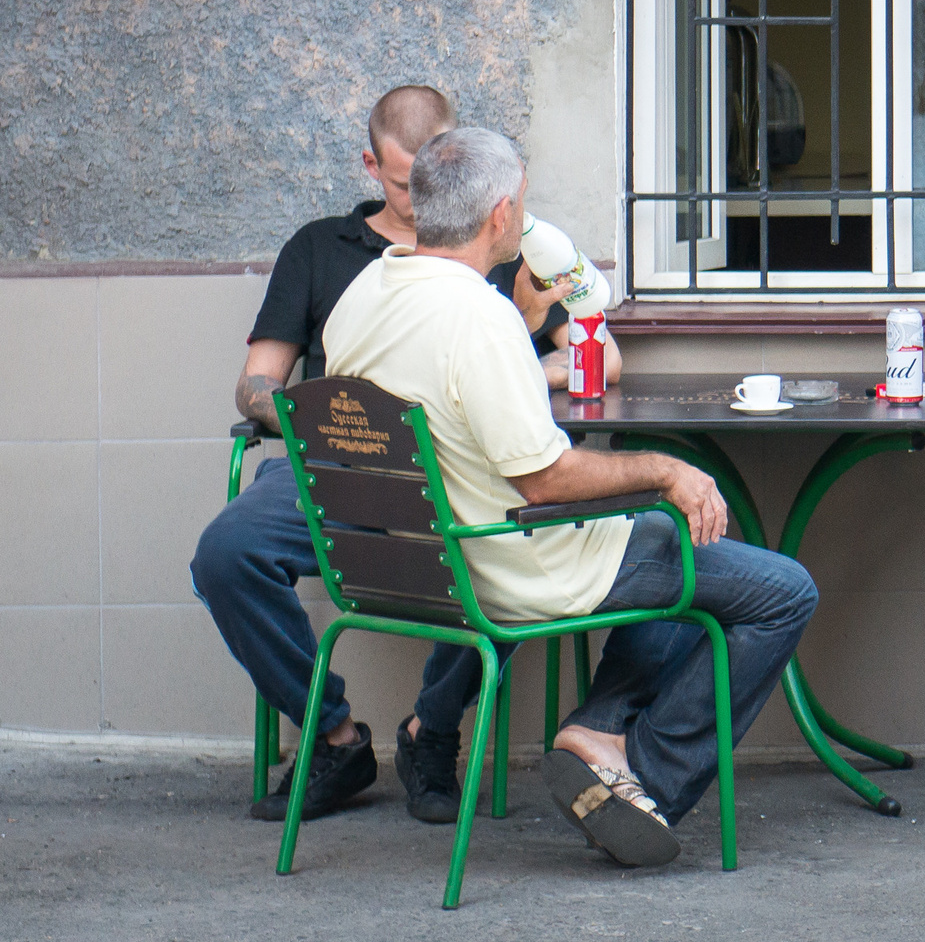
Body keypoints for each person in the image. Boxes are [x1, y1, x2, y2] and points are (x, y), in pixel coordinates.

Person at [323, 125, 817, 869]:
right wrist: (665, 471)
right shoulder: (475, 315)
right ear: (499, 214)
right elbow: (544, 478)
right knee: (779, 590)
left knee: (685, 545)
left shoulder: (361, 297)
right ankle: (643, 776)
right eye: (520, 200)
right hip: (513, 564)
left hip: (411, 566)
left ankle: (600, 729)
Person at [190, 85, 612, 827]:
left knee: (494, 544)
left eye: (436, 178)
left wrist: (522, 357)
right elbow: (257, 382)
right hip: (334, 460)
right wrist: (316, 423)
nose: (423, 201)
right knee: (225, 553)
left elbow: (598, 358)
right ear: (369, 167)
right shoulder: (322, 250)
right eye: (403, 183)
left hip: (456, 463)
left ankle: (433, 732)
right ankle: (333, 737)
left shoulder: (497, 245)